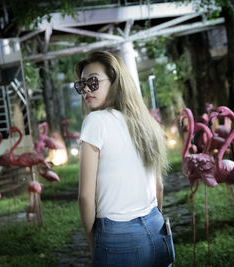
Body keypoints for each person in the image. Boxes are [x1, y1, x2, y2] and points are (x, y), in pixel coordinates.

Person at [75, 50, 175, 266]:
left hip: (117, 236)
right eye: (81, 84)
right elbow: (158, 188)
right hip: (156, 228)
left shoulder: (96, 122)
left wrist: (93, 242)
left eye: (92, 82)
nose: (85, 89)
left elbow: (85, 196)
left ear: (115, 81)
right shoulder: (145, 122)